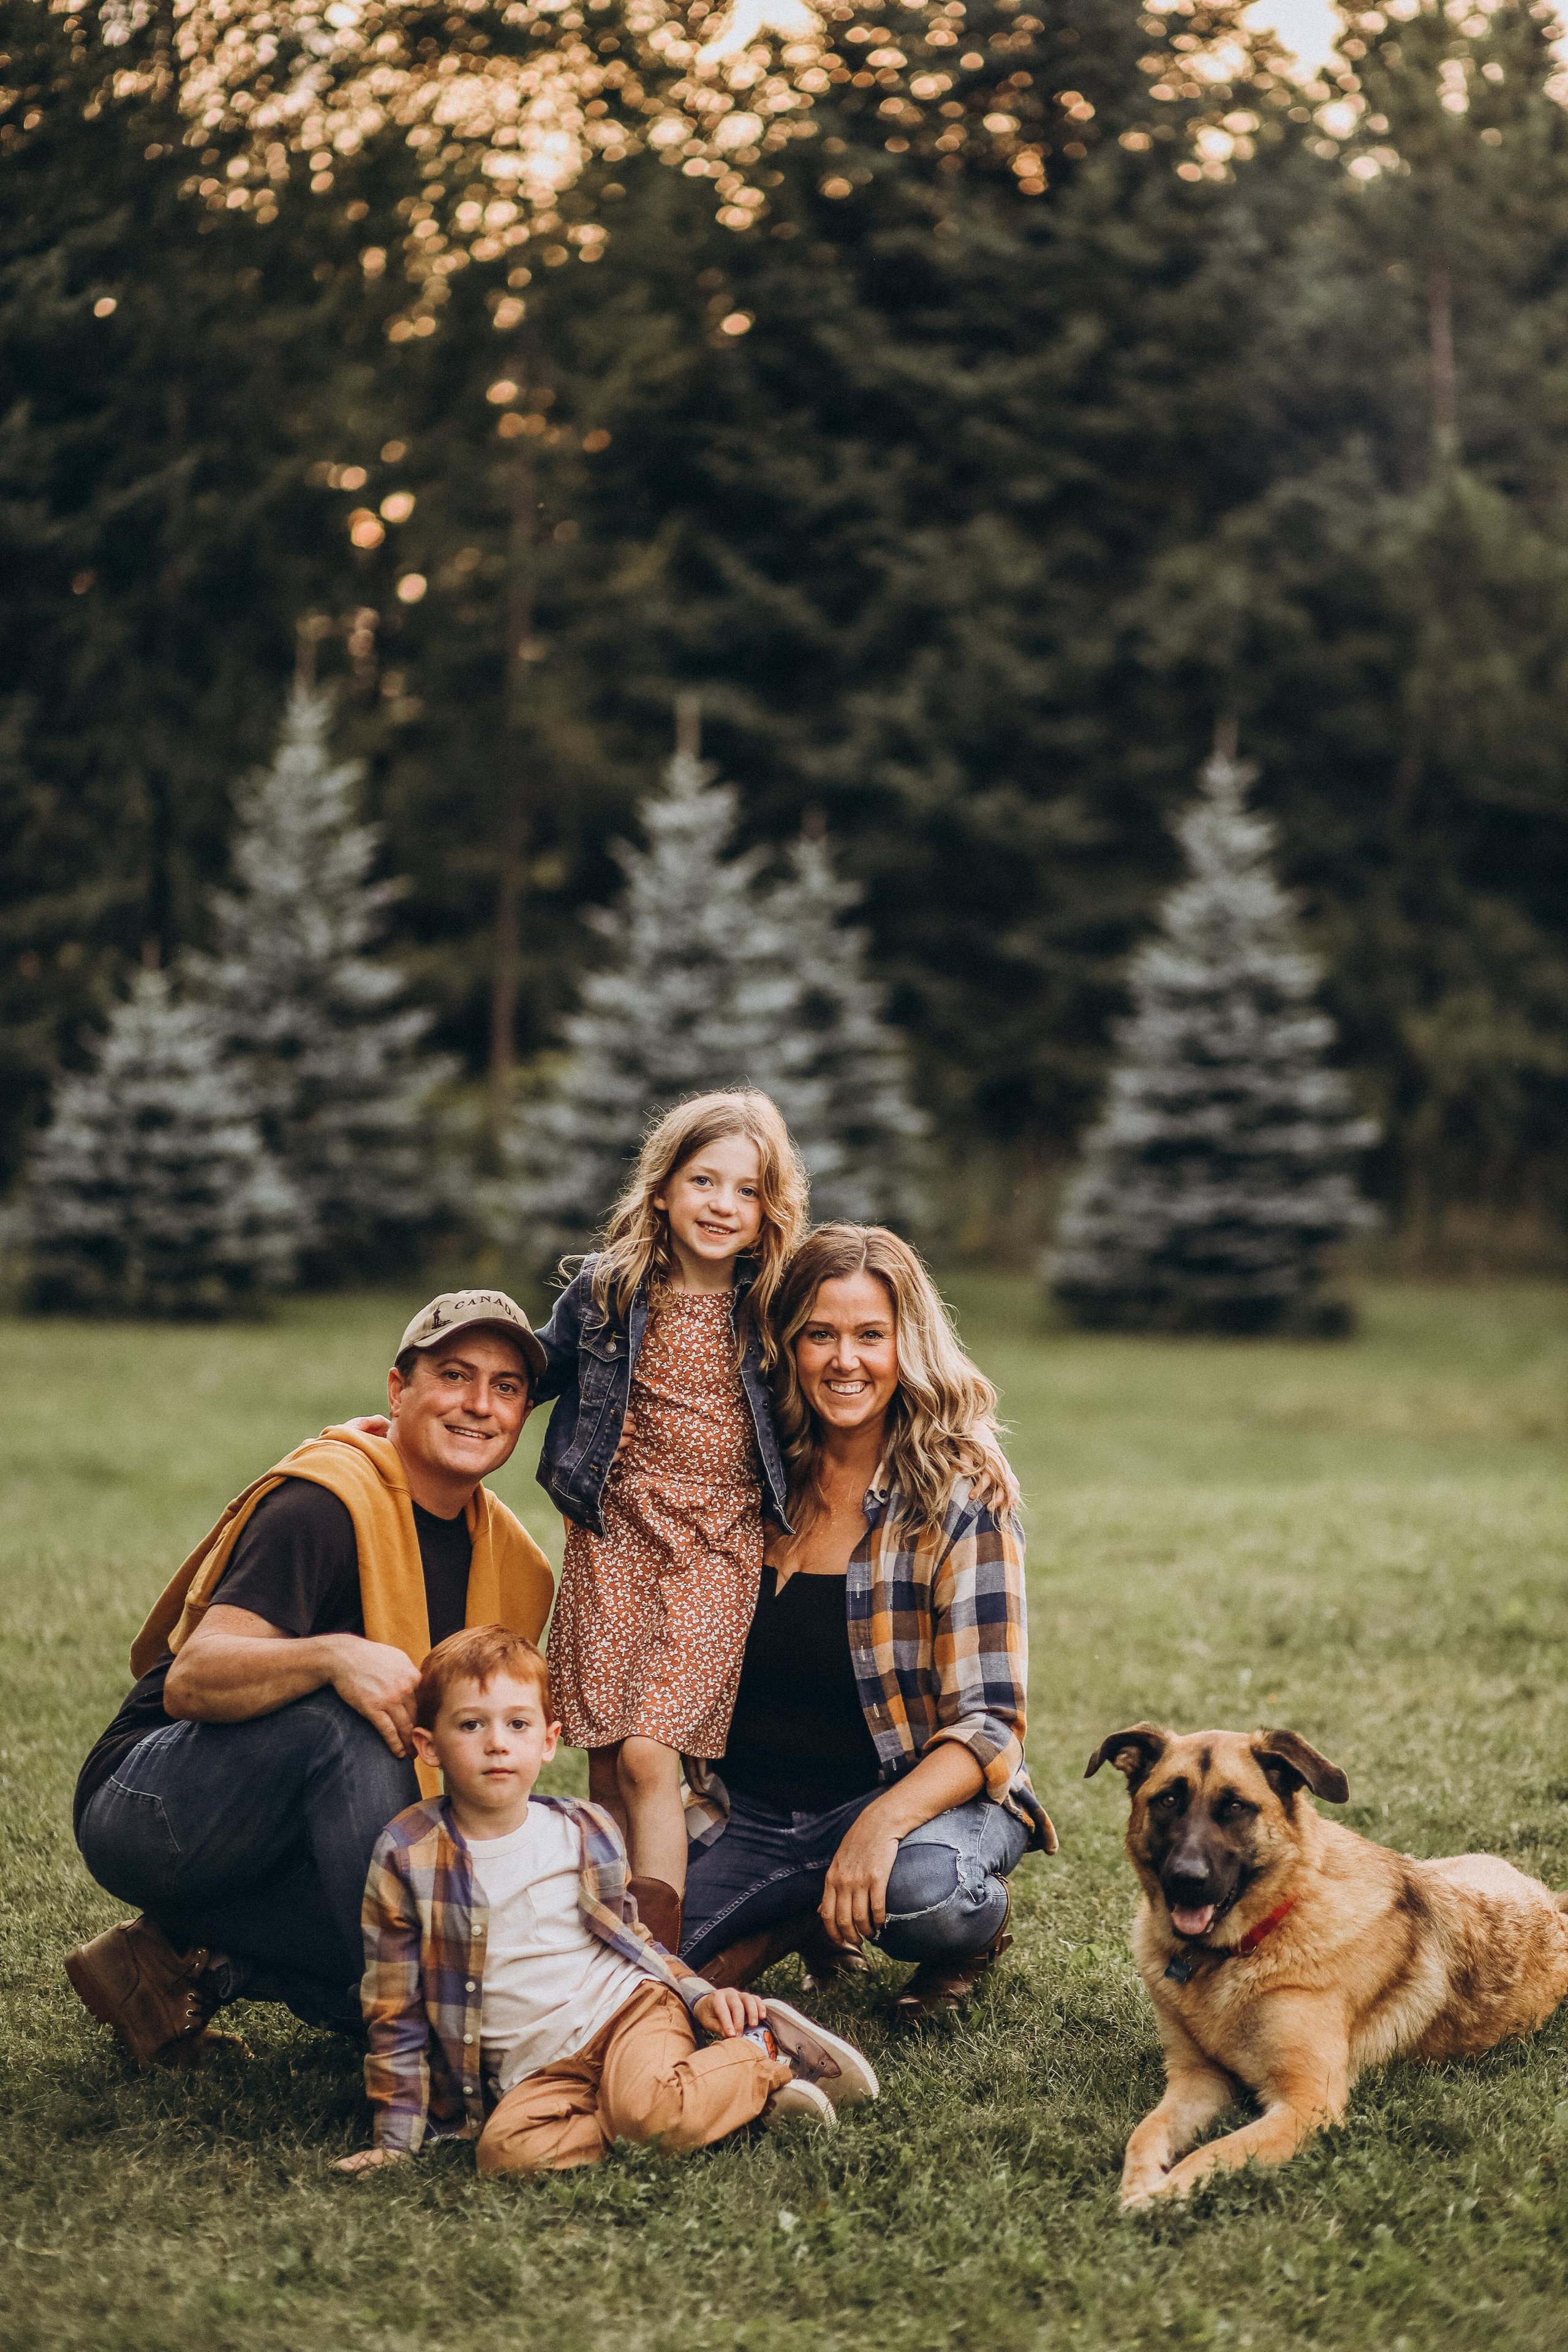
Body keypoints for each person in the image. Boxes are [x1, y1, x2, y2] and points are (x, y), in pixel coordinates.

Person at [66, 1291, 556, 2065]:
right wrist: (334, 1655)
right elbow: (192, 1681)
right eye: (454, 1375)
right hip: (157, 1810)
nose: (478, 1405)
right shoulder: (325, 1504)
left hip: (304, 1833)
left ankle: (177, 1962)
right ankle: (430, 2048)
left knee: (463, 1933)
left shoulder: (517, 1567)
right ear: (399, 1391)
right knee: (348, 1720)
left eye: (506, 1387)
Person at [335, 1625, 878, 2175]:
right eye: (471, 1724)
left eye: (517, 1724)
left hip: (626, 2015)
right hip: (543, 2074)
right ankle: (706, 2104)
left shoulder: (579, 1831)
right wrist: (397, 2140)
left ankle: (763, 2054)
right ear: (429, 1746)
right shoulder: (407, 1855)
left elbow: (632, 1937)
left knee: (650, 2117)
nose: (497, 1742)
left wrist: (693, 1996)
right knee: (502, 2155)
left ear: (548, 1742)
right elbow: (394, 2010)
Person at [679, 1224, 1057, 2016]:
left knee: (928, 1896)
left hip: (909, 1796)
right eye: (820, 1334)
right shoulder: (757, 1476)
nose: (844, 1360)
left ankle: (960, 1933)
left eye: (870, 1336)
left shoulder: (960, 1496)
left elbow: (992, 1726)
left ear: (906, 1345)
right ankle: (806, 1905)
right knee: (638, 1955)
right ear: (788, 1345)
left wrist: (880, 1825)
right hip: (753, 1809)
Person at [530, 1090, 807, 1956]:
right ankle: (598, 1944)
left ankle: (656, 1962)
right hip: (614, 1540)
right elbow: (534, 1367)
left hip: (718, 1548)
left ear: (769, 1213)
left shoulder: (772, 1303)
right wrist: (441, 1391)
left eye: (747, 1191)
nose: (723, 1205)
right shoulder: (608, 1289)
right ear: (662, 1191)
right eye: (704, 1182)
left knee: (653, 1754)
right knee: (608, 1759)